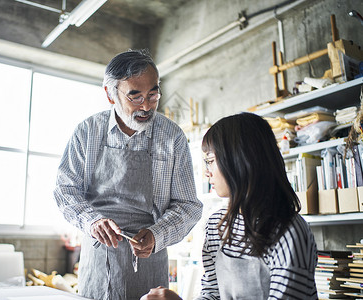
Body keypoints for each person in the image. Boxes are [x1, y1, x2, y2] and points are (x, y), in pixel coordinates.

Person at [53, 49, 203, 300]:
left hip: (150, 260)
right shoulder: (88, 132)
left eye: (153, 94)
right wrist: (92, 221)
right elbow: (65, 190)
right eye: (135, 97)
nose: (146, 106)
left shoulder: (172, 137)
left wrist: (158, 235)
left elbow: (188, 205)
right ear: (110, 95)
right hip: (98, 259)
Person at [141, 112, 318, 300]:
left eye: (210, 161)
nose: (207, 173)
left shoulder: (289, 231)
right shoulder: (217, 225)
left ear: (239, 161)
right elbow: (212, 294)